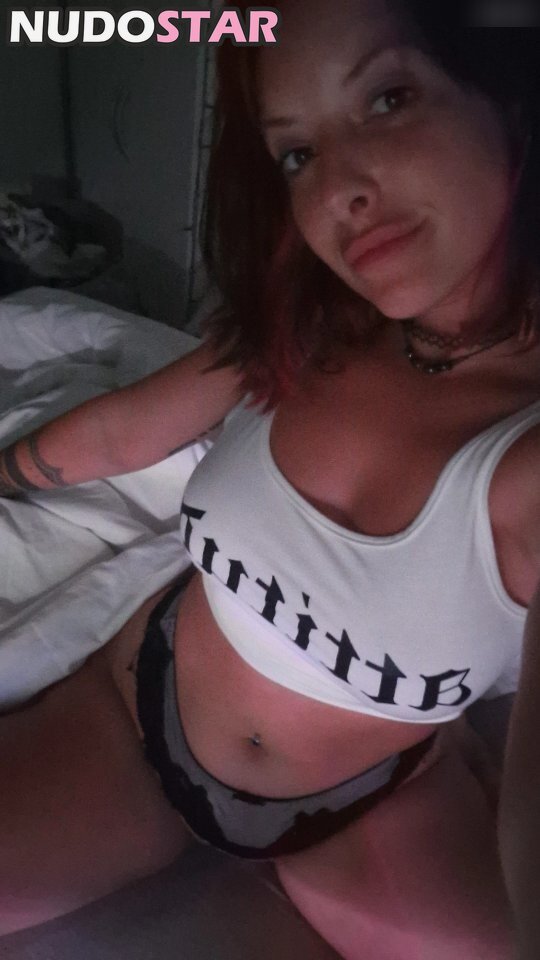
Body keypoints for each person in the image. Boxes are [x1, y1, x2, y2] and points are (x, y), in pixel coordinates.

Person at [1, 1, 539, 955]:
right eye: (297, 154)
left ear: (508, 100)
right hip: (133, 714)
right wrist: (8, 471)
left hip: (365, 806)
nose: (338, 190)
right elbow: (119, 434)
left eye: (389, 98)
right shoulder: (304, 325)